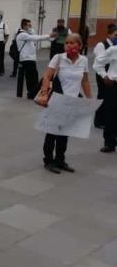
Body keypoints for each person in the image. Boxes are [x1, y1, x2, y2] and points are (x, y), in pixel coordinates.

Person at [38, 34, 92, 174]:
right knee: (52, 132)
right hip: (57, 99)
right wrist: (44, 93)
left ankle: (60, 160)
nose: (68, 45)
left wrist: (90, 98)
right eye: (67, 43)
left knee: (65, 132)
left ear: (79, 46)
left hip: (72, 101)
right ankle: (48, 161)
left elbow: (85, 81)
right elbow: (47, 76)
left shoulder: (83, 60)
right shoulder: (58, 58)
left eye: (72, 43)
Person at [15, 18, 55, 99]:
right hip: (26, 59)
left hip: (30, 59)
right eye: (29, 25)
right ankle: (31, 94)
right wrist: (49, 36)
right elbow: (36, 38)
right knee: (30, 77)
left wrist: (50, 38)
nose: (31, 27)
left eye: (30, 25)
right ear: (24, 26)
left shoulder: (28, 34)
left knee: (33, 77)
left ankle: (32, 93)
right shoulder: (22, 35)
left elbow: (34, 36)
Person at [95, 36, 117, 153]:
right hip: (114, 86)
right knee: (111, 114)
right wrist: (104, 75)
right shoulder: (114, 50)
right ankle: (109, 143)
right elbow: (98, 62)